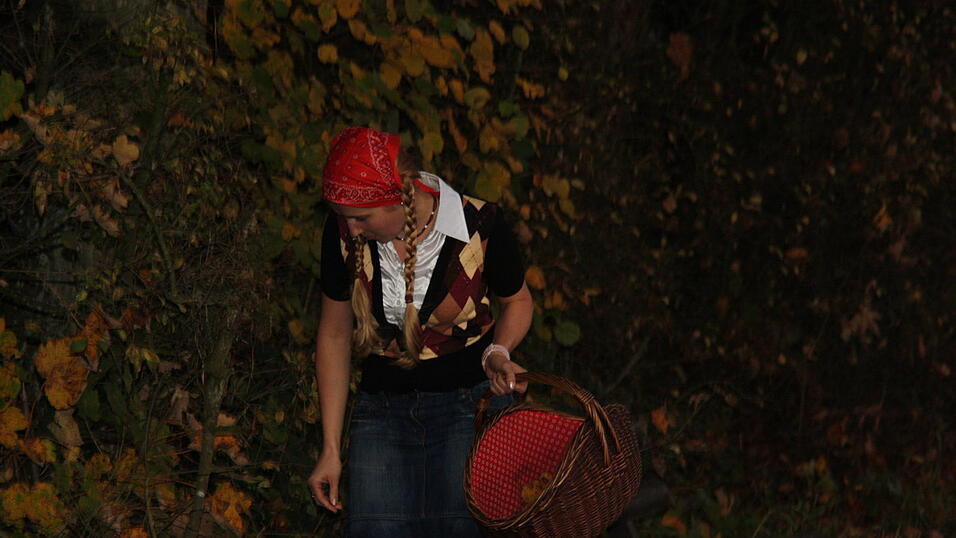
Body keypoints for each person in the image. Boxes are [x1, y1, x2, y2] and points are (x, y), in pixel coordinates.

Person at [307, 126, 533, 537]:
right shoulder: (342, 234)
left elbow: (518, 301)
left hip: (469, 409)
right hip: (382, 413)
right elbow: (335, 336)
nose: (351, 229)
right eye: (344, 218)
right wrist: (331, 448)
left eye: (360, 218)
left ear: (399, 198)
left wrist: (498, 350)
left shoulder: (480, 225)